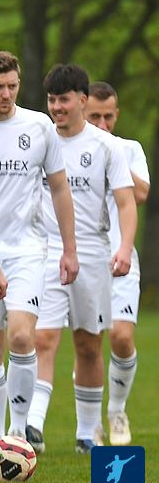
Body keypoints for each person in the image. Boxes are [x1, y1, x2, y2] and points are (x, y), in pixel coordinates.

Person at [0, 51, 79, 460]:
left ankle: (18, 433)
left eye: (12, 86)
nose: (6, 94)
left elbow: (59, 188)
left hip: (27, 249)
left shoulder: (39, 127)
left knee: (22, 336)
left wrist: (69, 248)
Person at [27, 64, 135, 454]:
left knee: (88, 344)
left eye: (64, 99)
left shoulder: (106, 146)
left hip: (91, 252)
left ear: (82, 100)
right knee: (42, 337)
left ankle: (87, 433)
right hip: (45, 250)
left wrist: (124, 248)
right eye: (51, 100)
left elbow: (126, 202)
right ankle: (32, 425)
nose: (57, 107)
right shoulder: (38, 139)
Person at [83, 81, 150, 446]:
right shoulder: (70, 149)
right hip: (83, 259)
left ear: (116, 114)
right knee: (88, 342)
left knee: (122, 337)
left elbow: (140, 193)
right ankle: (89, 426)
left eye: (108, 117)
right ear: (82, 111)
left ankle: (117, 410)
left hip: (121, 258)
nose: (103, 124)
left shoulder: (128, 148)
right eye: (95, 117)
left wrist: (110, 151)